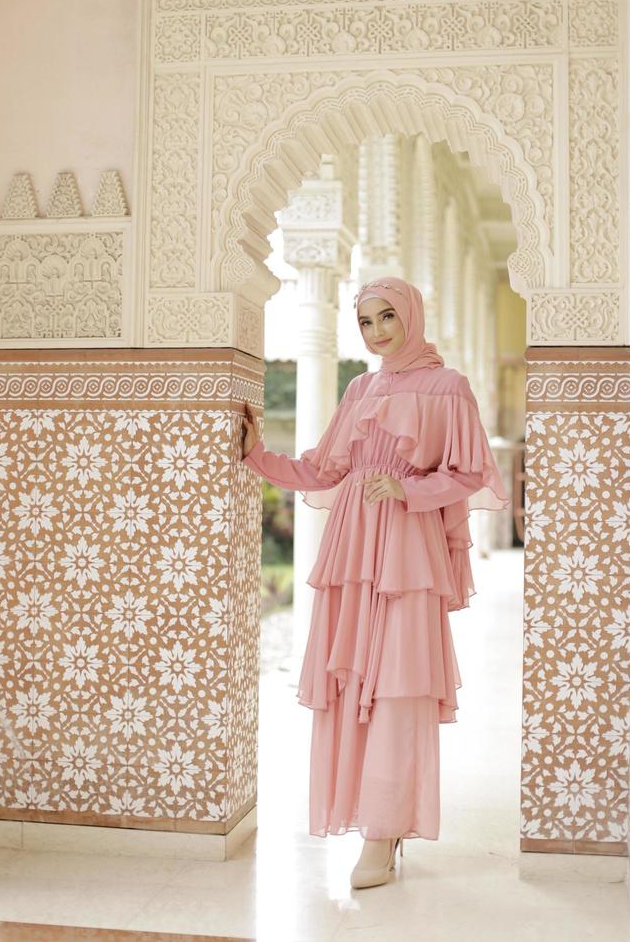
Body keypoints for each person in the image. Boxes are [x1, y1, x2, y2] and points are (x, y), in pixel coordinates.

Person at [240, 276, 510, 889]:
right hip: (353, 549)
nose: (378, 331)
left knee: (398, 684)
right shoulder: (359, 388)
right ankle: (369, 820)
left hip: (407, 550)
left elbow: (470, 471)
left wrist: (409, 488)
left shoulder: (449, 387)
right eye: (366, 322)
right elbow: (320, 468)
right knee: (351, 680)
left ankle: (385, 834)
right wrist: (258, 454)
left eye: (388, 316)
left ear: (411, 315)